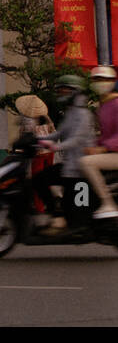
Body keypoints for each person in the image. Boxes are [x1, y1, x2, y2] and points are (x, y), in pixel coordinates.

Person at [41, 74, 94, 232]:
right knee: (40, 179)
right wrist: (38, 138)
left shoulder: (84, 115)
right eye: (60, 90)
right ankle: (56, 215)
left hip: (80, 169)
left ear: (75, 92)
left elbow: (77, 139)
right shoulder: (70, 113)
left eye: (65, 90)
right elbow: (59, 133)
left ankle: (71, 224)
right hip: (68, 166)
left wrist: (55, 147)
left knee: (77, 209)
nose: (61, 93)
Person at [80, 65, 118, 222]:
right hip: (112, 152)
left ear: (112, 81)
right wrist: (95, 146)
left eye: (103, 79)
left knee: (86, 163)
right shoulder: (103, 106)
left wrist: (102, 148)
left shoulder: (116, 104)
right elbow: (105, 134)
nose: (99, 82)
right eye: (95, 79)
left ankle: (108, 203)